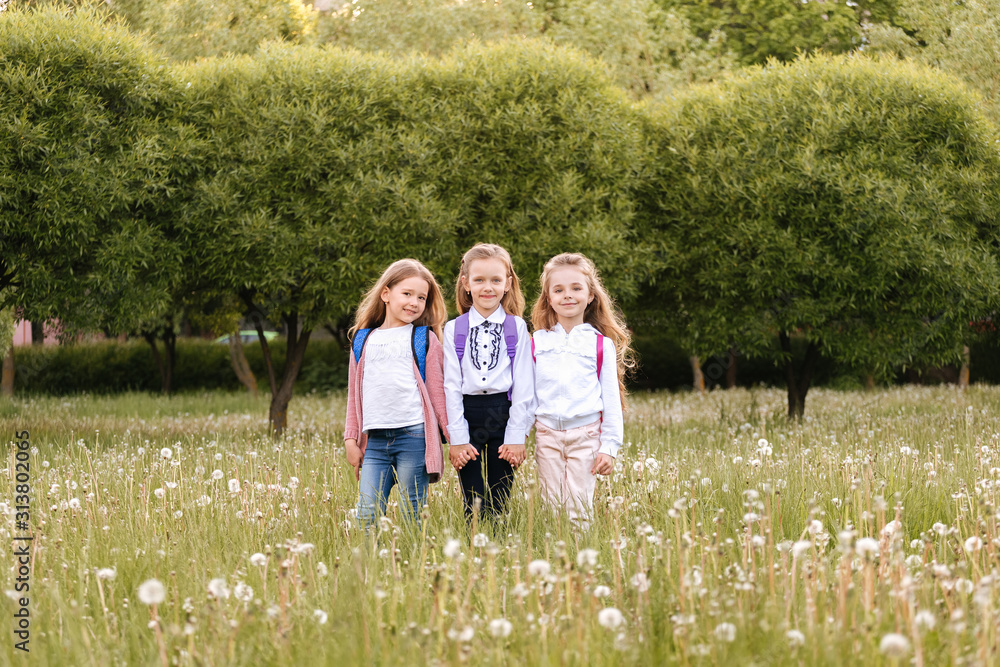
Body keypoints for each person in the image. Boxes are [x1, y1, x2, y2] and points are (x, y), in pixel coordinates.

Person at [530, 252, 634, 528]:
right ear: (548, 298)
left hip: (586, 436)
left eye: (576, 288)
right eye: (559, 290)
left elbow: (611, 400)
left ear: (590, 296)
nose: (568, 295)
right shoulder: (536, 343)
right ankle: (555, 562)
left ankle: (581, 563)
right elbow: (526, 397)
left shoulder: (600, 345)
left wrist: (609, 446)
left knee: (578, 508)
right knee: (552, 507)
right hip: (547, 435)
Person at [344, 258, 450, 526]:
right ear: (386, 294)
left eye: (421, 297)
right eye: (407, 294)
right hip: (375, 444)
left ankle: (414, 563)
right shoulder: (362, 340)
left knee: (412, 513)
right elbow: (354, 397)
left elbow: (438, 395)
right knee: (367, 514)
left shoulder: (424, 339)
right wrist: (350, 440)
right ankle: (370, 567)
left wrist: (455, 439)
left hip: (413, 437)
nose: (414, 302)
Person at [443, 243, 534, 524]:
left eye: (496, 280)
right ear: (466, 284)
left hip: (503, 413)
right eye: (479, 280)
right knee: (472, 496)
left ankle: (498, 548)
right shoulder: (453, 328)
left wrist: (517, 435)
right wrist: (457, 439)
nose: (488, 287)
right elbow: (450, 386)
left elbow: (524, 385)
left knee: (499, 492)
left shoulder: (517, 327)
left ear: (508, 284)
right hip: (466, 413)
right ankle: (474, 550)